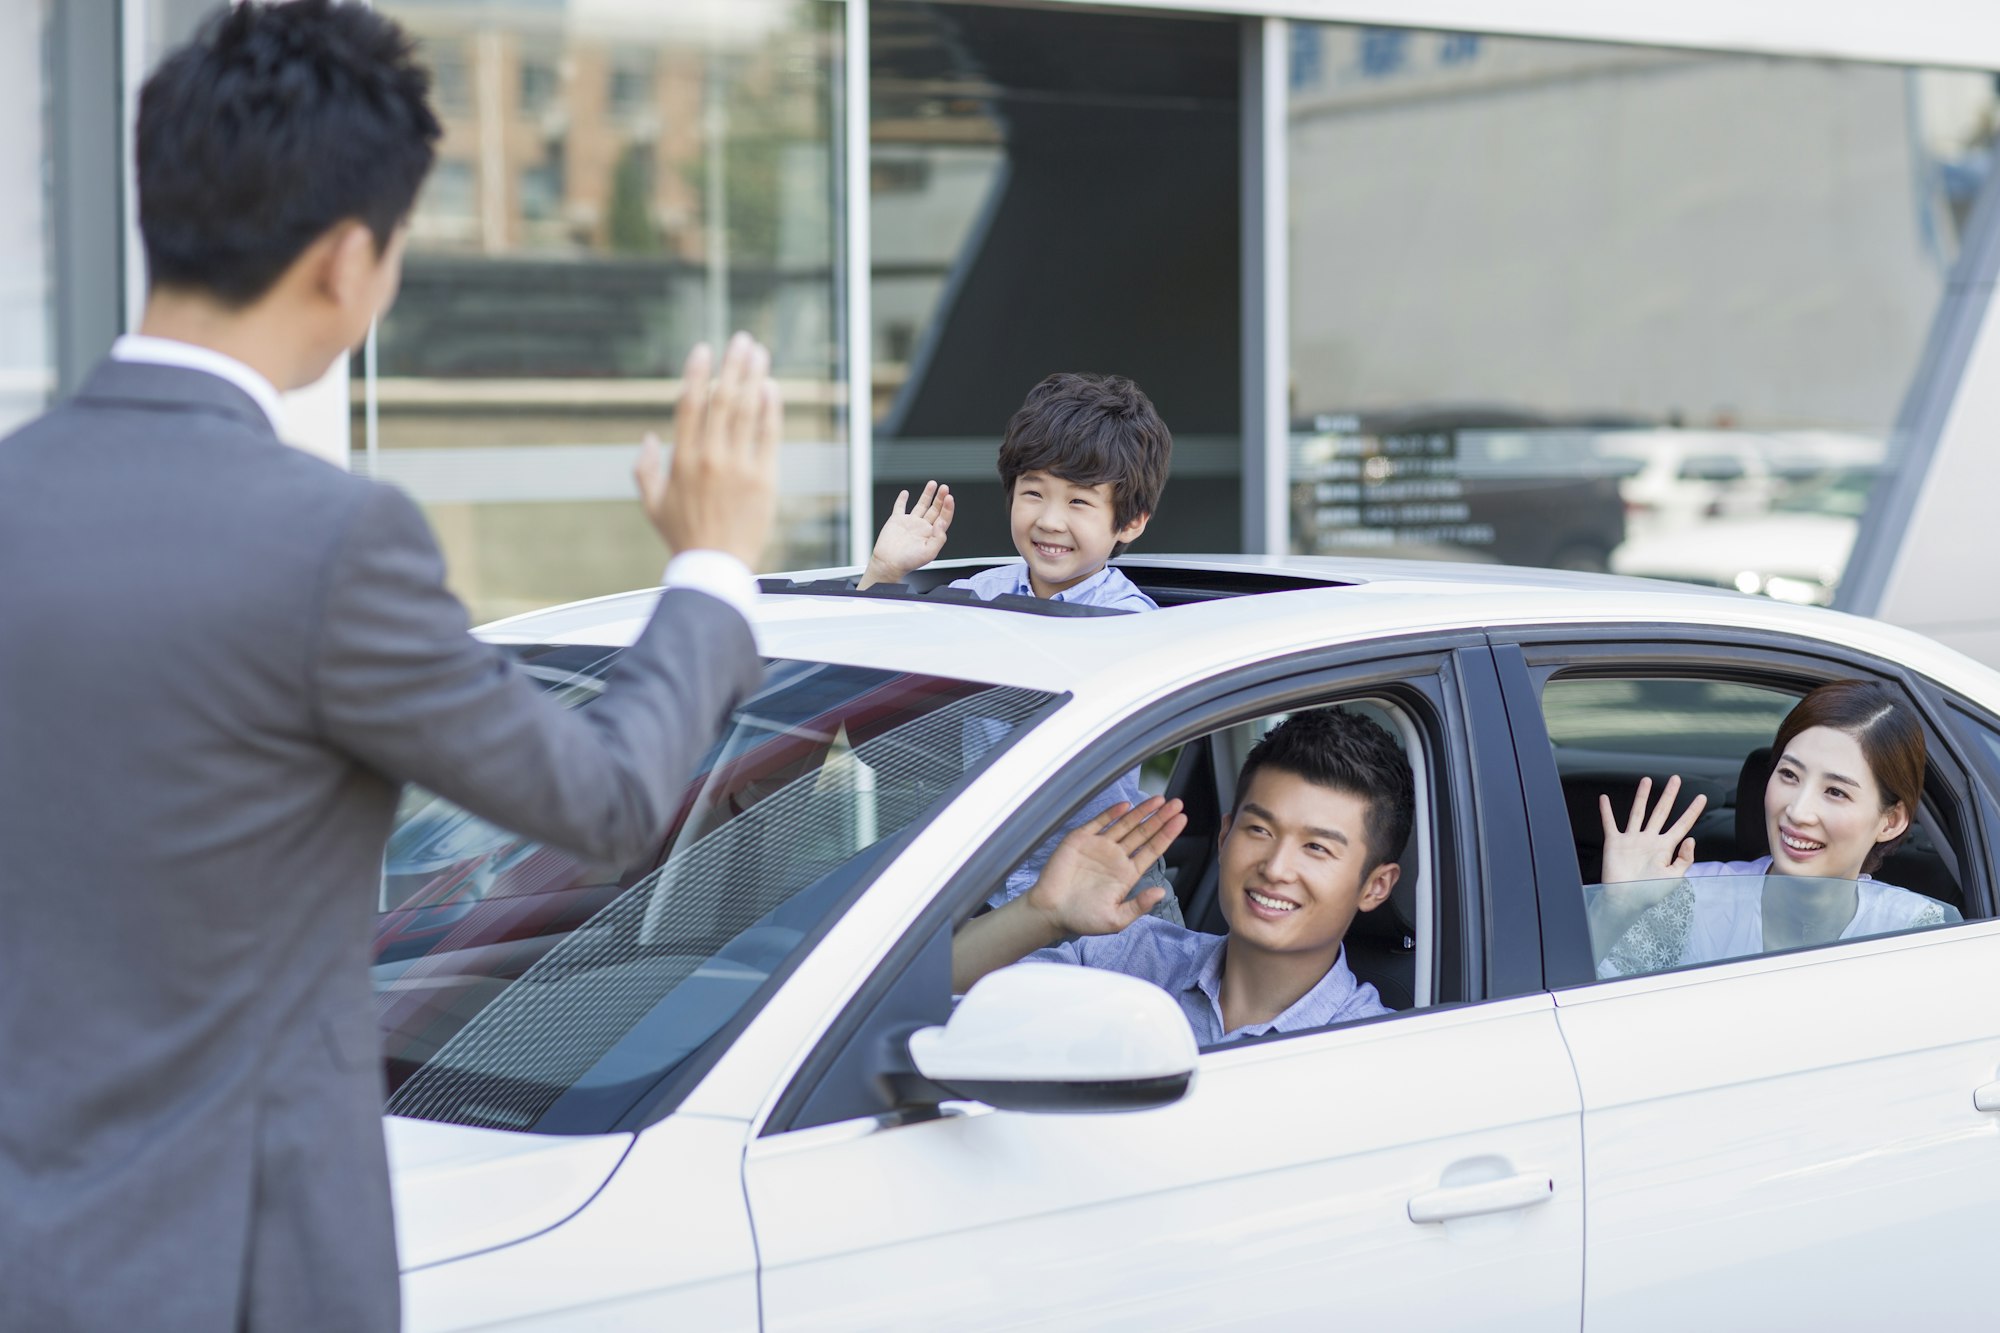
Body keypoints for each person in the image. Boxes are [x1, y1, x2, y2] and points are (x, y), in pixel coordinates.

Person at [0, 6, 777, 1331]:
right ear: (351, 257)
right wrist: (711, 567)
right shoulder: (329, 540)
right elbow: (599, 799)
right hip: (235, 1278)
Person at [863, 372, 1177, 914]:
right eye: (1034, 492)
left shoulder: (1127, 622)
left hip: (1101, 891)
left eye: (1079, 502)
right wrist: (885, 573)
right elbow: (870, 676)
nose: (1049, 520)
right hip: (984, 886)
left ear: (1131, 522)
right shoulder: (977, 594)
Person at [952, 708, 1413, 1044]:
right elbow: (921, 996)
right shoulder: (1138, 958)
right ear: (1224, 835)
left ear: (1376, 885)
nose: (1275, 868)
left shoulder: (1374, 1049)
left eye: (1316, 848)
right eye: (1260, 830)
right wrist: (1042, 914)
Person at [1592, 679, 1955, 979]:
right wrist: (1615, 908)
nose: (1798, 811)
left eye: (1835, 791)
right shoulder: (1686, 897)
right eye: (1789, 775)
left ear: (1890, 821)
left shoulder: (1915, 929)